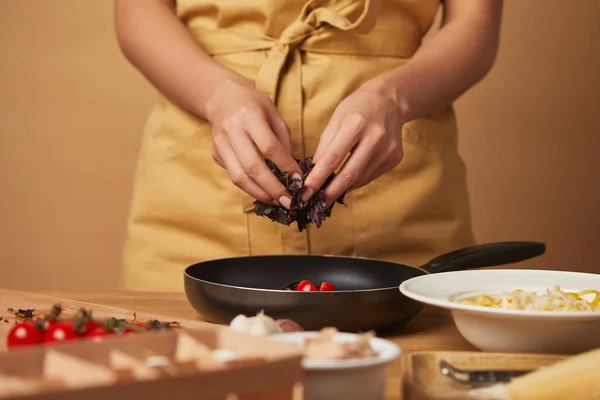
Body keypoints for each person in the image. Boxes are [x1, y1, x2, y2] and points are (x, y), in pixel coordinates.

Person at [115, 0, 503, 292]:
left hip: (402, 202)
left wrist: (394, 100)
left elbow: (474, 22)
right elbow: (137, 13)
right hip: (197, 198)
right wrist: (216, 96)